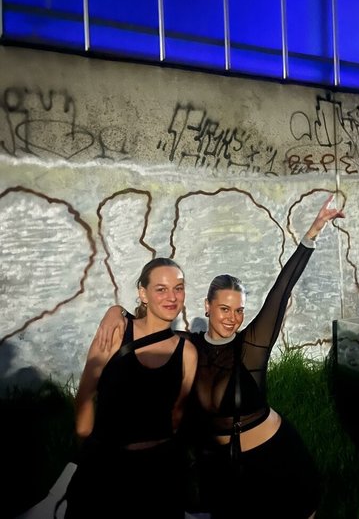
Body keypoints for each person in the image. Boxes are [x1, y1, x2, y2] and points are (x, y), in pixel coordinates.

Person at [97, 193, 345, 519]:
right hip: (221, 467)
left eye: (239, 310)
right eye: (224, 309)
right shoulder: (186, 346)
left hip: (275, 457)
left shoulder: (252, 346)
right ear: (207, 306)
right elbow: (144, 328)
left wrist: (313, 231)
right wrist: (117, 310)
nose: (232, 318)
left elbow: (282, 288)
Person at [63, 257, 198, 519]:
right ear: (143, 294)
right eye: (161, 289)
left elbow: (177, 414)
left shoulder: (187, 353)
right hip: (106, 468)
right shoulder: (116, 332)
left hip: (159, 474)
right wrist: (88, 452)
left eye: (178, 288)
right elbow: (85, 395)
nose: (172, 297)